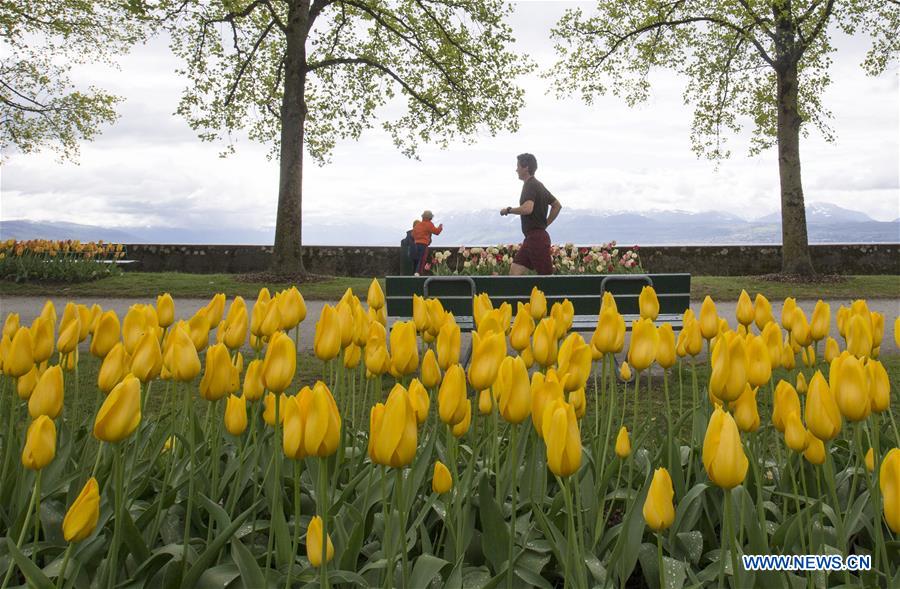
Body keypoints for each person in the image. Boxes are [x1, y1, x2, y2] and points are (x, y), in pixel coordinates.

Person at [499, 153, 562, 275]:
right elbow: (557, 206)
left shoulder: (530, 185)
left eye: (518, 166)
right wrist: (544, 225)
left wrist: (508, 210)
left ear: (526, 167)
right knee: (514, 272)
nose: (516, 169)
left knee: (547, 278)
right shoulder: (539, 185)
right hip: (533, 237)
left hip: (536, 239)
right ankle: (523, 294)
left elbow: (528, 209)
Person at [412, 210, 443, 274]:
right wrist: (440, 227)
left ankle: (416, 272)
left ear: (423, 217)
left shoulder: (418, 225)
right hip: (424, 245)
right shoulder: (429, 224)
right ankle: (419, 273)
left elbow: (413, 234)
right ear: (430, 218)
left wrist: (417, 239)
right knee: (422, 259)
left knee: (417, 259)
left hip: (416, 244)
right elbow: (436, 232)